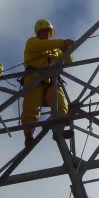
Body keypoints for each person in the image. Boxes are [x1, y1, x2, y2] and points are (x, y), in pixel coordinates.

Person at [21, 19, 75, 147]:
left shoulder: (55, 50)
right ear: (38, 32)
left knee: (59, 100)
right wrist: (62, 43)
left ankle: (59, 127)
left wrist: (66, 50)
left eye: (49, 31)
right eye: (45, 31)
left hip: (51, 81)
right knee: (32, 106)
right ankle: (29, 133)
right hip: (34, 80)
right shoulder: (32, 42)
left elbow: (67, 61)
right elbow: (42, 46)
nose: (48, 33)